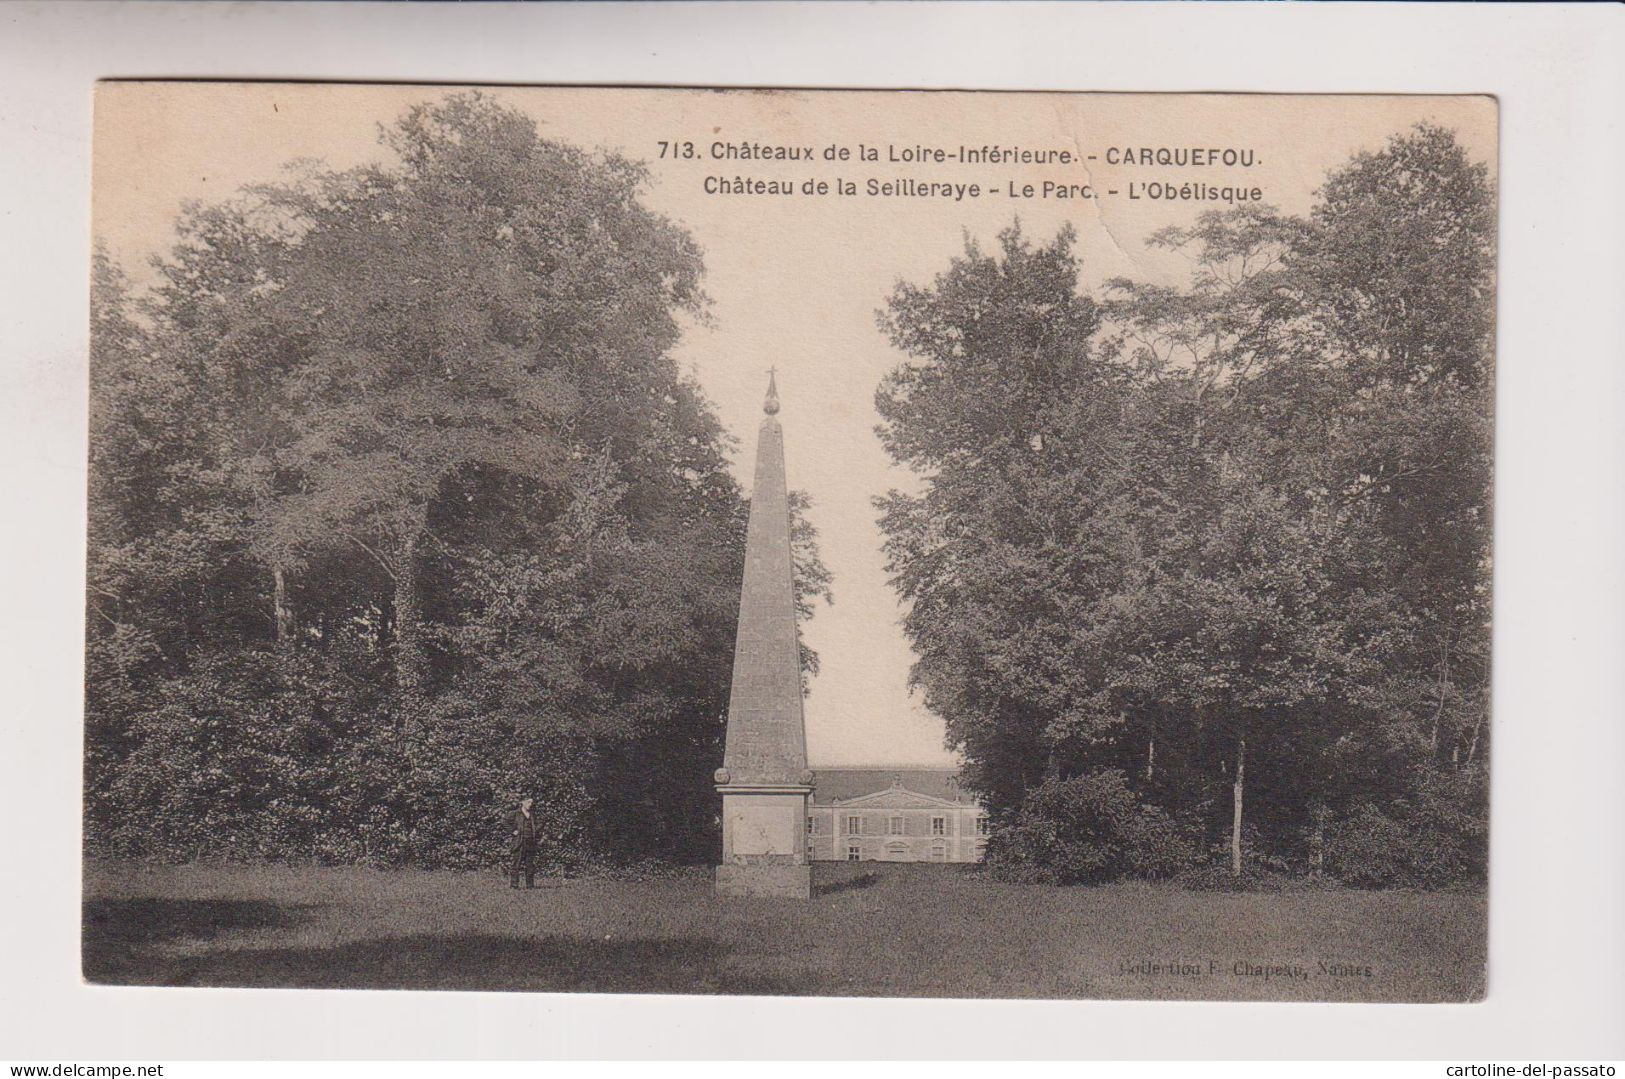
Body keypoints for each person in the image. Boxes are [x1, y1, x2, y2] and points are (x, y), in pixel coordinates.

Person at [508, 796, 540, 889]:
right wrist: (512, 831)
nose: (530, 804)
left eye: (531, 803)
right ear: (522, 802)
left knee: (530, 865)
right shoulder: (516, 813)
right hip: (519, 843)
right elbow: (504, 821)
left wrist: (535, 831)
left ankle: (530, 886)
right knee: (516, 865)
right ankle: (514, 885)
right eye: (528, 802)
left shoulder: (532, 814)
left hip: (530, 843)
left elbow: (541, 822)